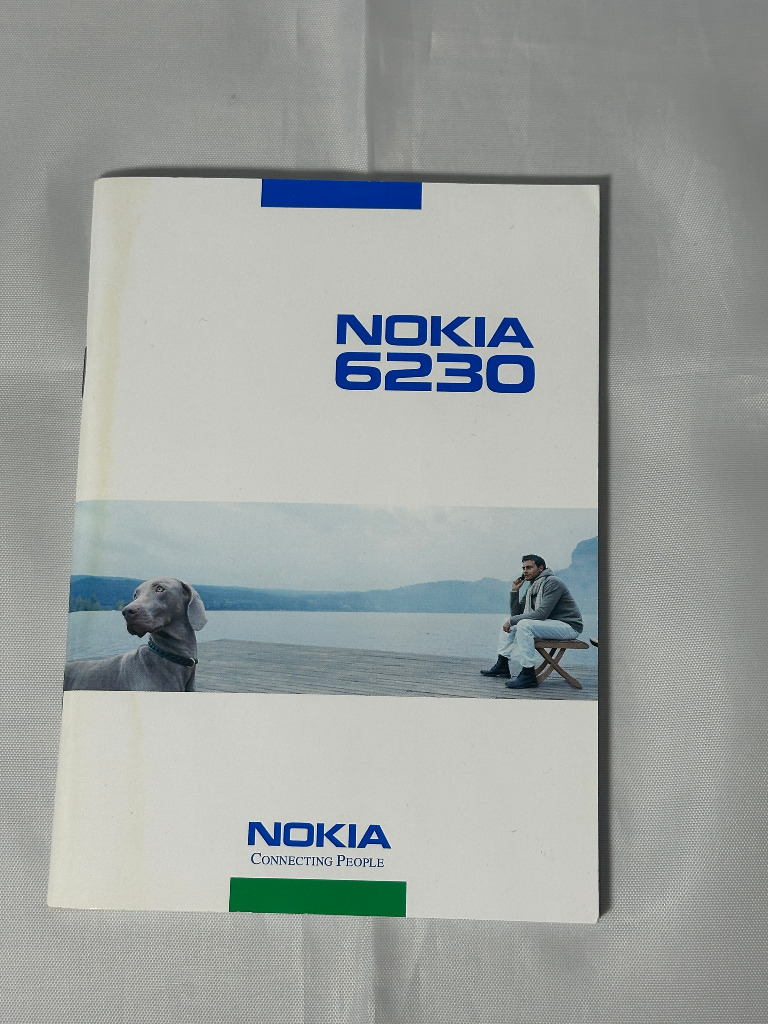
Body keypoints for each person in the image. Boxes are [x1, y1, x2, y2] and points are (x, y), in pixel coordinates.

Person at [481, 554, 583, 688]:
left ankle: (528, 674)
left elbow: (541, 614)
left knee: (524, 624)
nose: (525, 571)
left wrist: (513, 620)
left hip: (569, 627)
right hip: (551, 624)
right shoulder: (533, 586)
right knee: (509, 620)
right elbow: (517, 614)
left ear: (541, 568)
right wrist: (514, 591)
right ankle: (502, 664)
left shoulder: (553, 582)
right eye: (523, 568)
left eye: (529, 567)